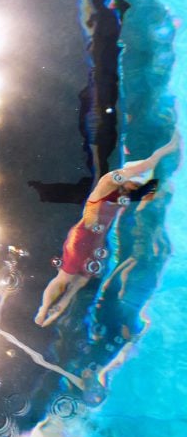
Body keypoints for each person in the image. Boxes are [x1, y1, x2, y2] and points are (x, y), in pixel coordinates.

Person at [34, 131, 179, 327]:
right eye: (133, 182)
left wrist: (162, 186)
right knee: (64, 278)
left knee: (80, 282)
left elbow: (152, 191)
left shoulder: (126, 193)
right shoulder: (108, 182)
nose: (132, 187)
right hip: (82, 235)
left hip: (96, 241)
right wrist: (168, 148)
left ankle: (60, 307)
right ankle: (43, 310)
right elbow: (148, 164)